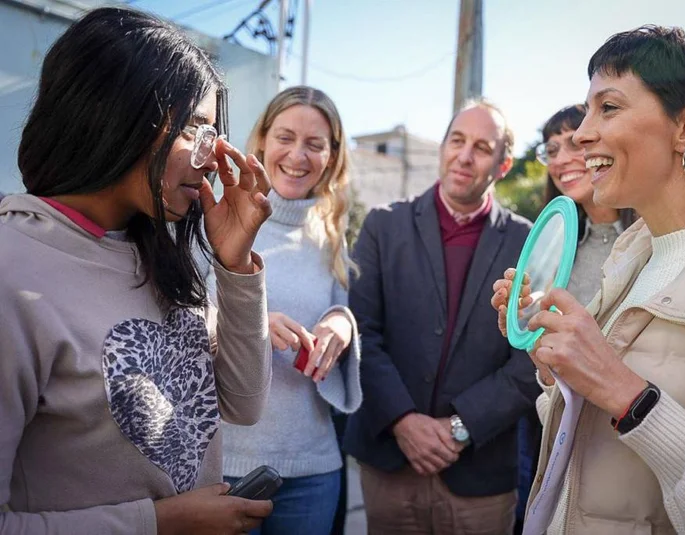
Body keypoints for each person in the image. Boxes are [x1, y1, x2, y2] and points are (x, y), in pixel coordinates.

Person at [493, 26, 685, 534]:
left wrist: (627, 395)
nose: (581, 134)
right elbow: (589, 443)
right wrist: (555, 363)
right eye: (586, 109)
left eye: (608, 107)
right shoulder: (632, 259)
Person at [0, 8, 275, 535]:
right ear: (117, 114)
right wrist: (158, 523)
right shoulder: (15, 270)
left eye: (214, 132)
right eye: (195, 129)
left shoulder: (156, 250)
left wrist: (235, 265)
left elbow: (243, 401)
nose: (213, 154)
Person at [344, 98, 540, 534]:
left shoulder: (529, 243)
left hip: (481, 475)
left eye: (482, 148)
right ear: (442, 146)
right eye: (457, 140)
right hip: (390, 465)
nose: (465, 156)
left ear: (503, 165)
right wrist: (402, 421)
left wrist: (461, 426)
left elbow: (530, 359)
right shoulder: (382, 226)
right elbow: (361, 332)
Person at [210, 86, 362, 535]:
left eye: (315, 144)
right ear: (261, 142)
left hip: (313, 467)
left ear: (331, 158)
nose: (298, 155)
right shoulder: (216, 219)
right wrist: (249, 325)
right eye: (285, 137)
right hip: (222, 465)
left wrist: (341, 323)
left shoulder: (331, 236)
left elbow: (342, 308)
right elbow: (180, 322)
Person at [509, 104, 637, 534]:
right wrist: (521, 320)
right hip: (554, 424)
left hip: (631, 425)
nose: (562, 158)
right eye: (550, 149)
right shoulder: (550, 247)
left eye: (572, 141)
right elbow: (539, 347)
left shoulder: (650, 239)